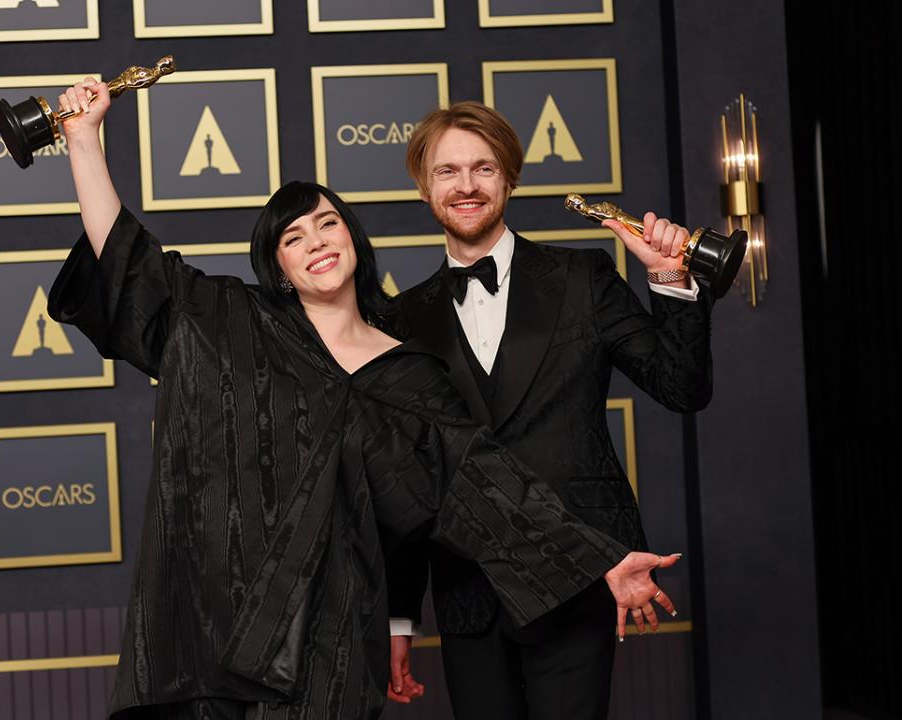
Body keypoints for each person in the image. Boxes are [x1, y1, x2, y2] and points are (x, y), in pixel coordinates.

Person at [47, 79, 677, 719]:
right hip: (221, 623)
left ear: (353, 238)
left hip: (336, 632)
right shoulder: (232, 324)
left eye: (327, 223)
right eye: (293, 237)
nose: (316, 241)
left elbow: (484, 487)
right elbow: (131, 264)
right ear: (278, 267)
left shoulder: (409, 372)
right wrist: (83, 141)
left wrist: (601, 562)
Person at [387, 101, 712, 719]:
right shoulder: (401, 320)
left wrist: (672, 280)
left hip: (583, 574)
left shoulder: (582, 277)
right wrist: (399, 615)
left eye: (482, 169)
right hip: (467, 589)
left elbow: (682, 388)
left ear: (508, 178)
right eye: (447, 171)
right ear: (424, 186)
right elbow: (404, 484)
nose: (465, 186)